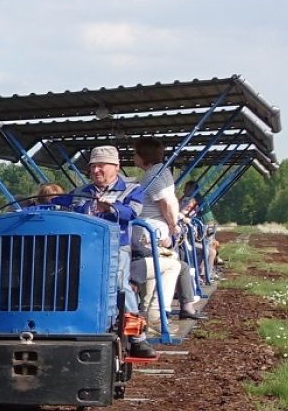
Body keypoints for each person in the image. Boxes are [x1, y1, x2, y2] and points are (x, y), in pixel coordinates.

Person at [70, 146, 156, 359]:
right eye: (92, 166)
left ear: (116, 167)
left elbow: (132, 212)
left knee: (120, 285)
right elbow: (69, 207)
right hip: (85, 247)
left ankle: (137, 338)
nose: (96, 170)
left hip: (117, 247)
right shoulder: (82, 191)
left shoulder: (131, 189)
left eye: (101, 166)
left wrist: (110, 208)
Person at [132, 138, 204, 321]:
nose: (133, 157)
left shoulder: (153, 176)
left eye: (135, 153)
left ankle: (153, 316)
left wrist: (173, 227)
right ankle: (156, 315)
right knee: (169, 268)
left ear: (143, 156)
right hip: (156, 232)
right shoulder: (161, 172)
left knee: (165, 269)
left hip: (151, 233)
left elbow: (165, 203)